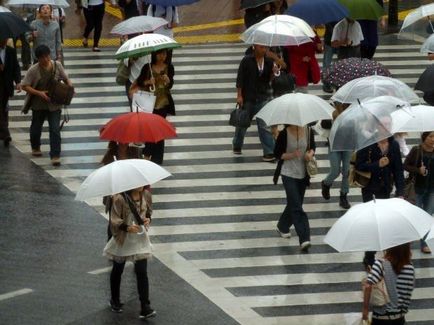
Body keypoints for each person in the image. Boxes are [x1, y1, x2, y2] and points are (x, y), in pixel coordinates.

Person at [103, 186, 156, 319]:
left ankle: (145, 307)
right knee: (118, 268)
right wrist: (127, 227)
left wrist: (147, 219)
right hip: (123, 237)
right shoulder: (119, 198)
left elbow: (148, 212)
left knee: (142, 271)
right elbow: (114, 220)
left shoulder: (146, 195)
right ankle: (115, 300)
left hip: (139, 238)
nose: (142, 185)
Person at [356, 136, 405, 268]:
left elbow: (398, 169)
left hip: (385, 189)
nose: (386, 127)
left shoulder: (393, 145)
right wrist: (377, 164)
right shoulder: (367, 142)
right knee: (373, 222)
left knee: (382, 222)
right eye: (384, 124)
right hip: (369, 188)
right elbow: (359, 165)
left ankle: (372, 254)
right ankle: (370, 256)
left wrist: (400, 192)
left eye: (388, 124)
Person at [21, 45, 72, 166]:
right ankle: (35, 147)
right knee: (36, 127)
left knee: (55, 129)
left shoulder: (57, 65)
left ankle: (55, 155)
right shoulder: (33, 70)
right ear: (38, 59)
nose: (46, 59)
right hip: (38, 104)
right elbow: (25, 86)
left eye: (47, 56)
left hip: (54, 104)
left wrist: (70, 88)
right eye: (42, 57)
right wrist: (39, 93)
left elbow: (66, 78)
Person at [273, 124, 316, 252]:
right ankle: (304, 238)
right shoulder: (284, 134)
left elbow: (313, 147)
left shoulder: (308, 131)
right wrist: (292, 155)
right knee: (297, 206)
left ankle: (282, 225)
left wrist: (310, 153)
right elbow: (277, 154)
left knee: (295, 202)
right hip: (288, 173)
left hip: (303, 174)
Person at [232, 44, 278, 162]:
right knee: (242, 124)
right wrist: (239, 95)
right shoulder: (247, 61)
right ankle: (237, 144)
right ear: (254, 47)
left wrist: (273, 73)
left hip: (262, 97)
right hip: (248, 98)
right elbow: (240, 78)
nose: (264, 50)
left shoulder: (268, 62)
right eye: (261, 47)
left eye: (265, 48)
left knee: (263, 125)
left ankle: (269, 152)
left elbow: (269, 80)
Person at [129, 49, 175, 165]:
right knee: (150, 130)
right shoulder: (147, 67)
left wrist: (168, 81)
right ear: (155, 55)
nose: (162, 57)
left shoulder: (169, 67)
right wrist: (149, 82)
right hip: (149, 104)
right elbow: (139, 82)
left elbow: (170, 86)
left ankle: (157, 160)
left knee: (159, 132)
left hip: (163, 103)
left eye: (164, 54)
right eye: (159, 54)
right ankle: (147, 154)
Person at [362, 243, 415, 324]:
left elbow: (368, 285)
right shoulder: (410, 267)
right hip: (399, 317)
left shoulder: (380, 264)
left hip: (381, 316)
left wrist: (365, 309)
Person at [404, 131, 434, 254]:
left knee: (427, 216)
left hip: (431, 189)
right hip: (416, 189)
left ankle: (424, 243)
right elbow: (405, 165)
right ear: (424, 138)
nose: (433, 139)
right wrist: (417, 169)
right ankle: (407, 244)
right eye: (431, 136)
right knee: (414, 217)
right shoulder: (416, 150)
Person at [321, 102, 351, 209]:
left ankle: (343, 196)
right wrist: (334, 121)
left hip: (348, 144)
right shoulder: (331, 108)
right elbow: (323, 124)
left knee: (346, 172)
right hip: (334, 145)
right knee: (335, 170)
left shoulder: (353, 110)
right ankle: (326, 183)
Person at [0, 38, 21, 147]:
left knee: (4, 107)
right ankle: (5, 132)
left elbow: (16, 67)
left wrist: (18, 81)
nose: (3, 41)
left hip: (6, 85)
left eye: (5, 38)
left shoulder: (11, 51)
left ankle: (2, 131)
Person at [321, 21, 338, 93]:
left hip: (337, 42)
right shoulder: (329, 18)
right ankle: (326, 83)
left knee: (328, 63)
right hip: (330, 42)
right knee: (327, 64)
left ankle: (332, 82)